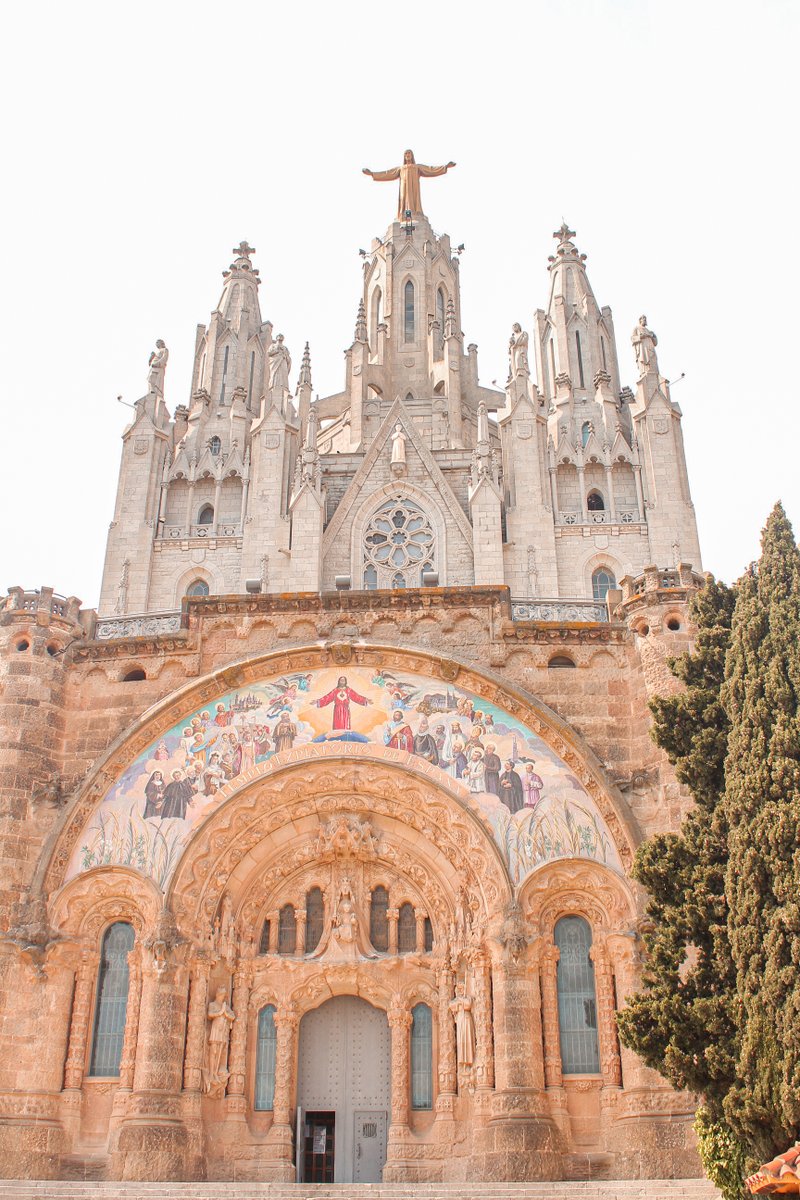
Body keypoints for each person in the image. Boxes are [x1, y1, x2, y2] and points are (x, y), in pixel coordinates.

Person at [363, 150, 456, 220]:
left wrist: (445, 167)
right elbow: (387, 173)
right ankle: (403, 214)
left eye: (409, 154)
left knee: (414, 199)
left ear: (412, 156)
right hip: (404, 189)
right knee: (404, 199)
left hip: (414, 188)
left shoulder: (417, 167)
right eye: (406, 154)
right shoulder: (401, 168)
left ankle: (416, 213)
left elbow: (430, 169)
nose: (407, 155)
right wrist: (372, 174)